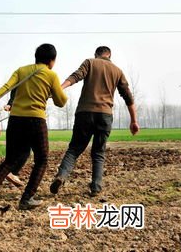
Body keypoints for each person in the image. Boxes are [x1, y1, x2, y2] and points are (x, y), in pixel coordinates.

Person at [0, 44, 67, 211]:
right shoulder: (51, 75)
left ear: (36, 57)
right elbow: (61, 102)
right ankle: (27, 198)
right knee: (41, 160)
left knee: (11, 159)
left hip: (15, 121)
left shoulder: (21, 70)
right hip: (36, 121)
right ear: (52, 60)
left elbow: (7, 87)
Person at [50, 46, 139, 197]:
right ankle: (96, 187)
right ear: (109, 55)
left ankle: (61, 176)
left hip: (84, 113)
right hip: (104, 115)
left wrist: (59, 88)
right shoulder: (117, 71)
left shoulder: (90, 63)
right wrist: (134, 121)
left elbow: (75, 76)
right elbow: (128, 97)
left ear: (96, 54)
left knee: (74, 149)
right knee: (98, 152)